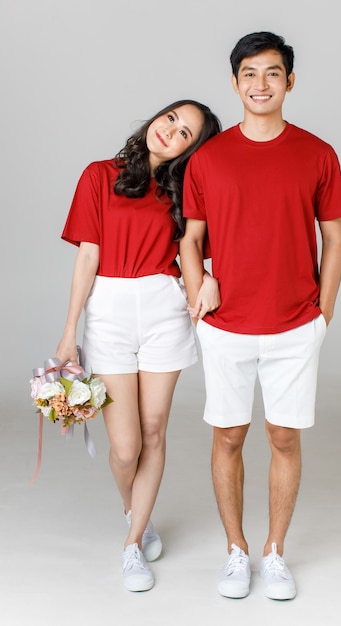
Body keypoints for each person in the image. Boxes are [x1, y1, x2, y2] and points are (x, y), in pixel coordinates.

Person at [180, 32, 341, 600]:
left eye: (272, 74)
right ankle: (236, 550)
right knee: (228, 435)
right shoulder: (207, 158)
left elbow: (333, 237)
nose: (260, 84)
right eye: (249, 74)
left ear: (290, 82)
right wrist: (197, 288)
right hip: (225, 326)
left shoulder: (318, 153)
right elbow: (191, 239)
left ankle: (275, 551)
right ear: (235, 83)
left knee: (283, 437)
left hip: (296, 326)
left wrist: (323, 313)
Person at [56, 100, 221, 592]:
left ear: (192, 150)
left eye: (186, 133)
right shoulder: (98, 175)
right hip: (108, 309)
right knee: (124, 448)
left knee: (153, 429)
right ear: (157, 118)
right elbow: (88, 256)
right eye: (171, 118)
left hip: (164, 310)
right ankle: (136, 509)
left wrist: (209, 279)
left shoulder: (187, 193)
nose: (171, 132)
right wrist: (69, 332)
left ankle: (133, 543)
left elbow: (197, 250)